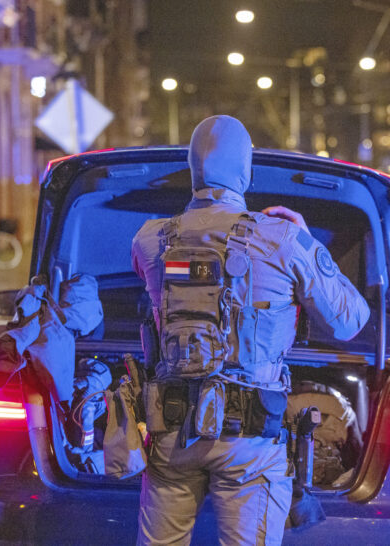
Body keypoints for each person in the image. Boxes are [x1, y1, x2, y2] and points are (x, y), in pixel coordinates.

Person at [131, 115, 370, 545]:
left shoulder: (149, 240)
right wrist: (307, 239)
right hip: (251, 444)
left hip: (171, 435)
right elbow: (349, 320)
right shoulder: (282, 238)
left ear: (192, 169)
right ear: (246, 170)